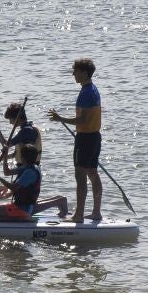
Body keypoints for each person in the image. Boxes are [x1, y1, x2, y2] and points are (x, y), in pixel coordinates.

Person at [48, 58, 103, 223]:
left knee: (80, 176)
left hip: (85, 138)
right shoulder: (92, 89)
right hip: (94, 137)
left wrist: (60, 118)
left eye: (75, 71)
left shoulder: (87, 92)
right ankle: (96, 212)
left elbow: (82, 121)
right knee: (92, 173)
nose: (73, 74)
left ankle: (78, 215)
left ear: (84, 73)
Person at [0, 145, 67, 222]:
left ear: (23, 158)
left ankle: (22, 218)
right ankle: (60, 200)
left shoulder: (29, 172)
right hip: (28, 205)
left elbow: (14, 188)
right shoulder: (31, 167)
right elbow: (7, 172)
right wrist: (5, 156)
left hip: (22, 209)